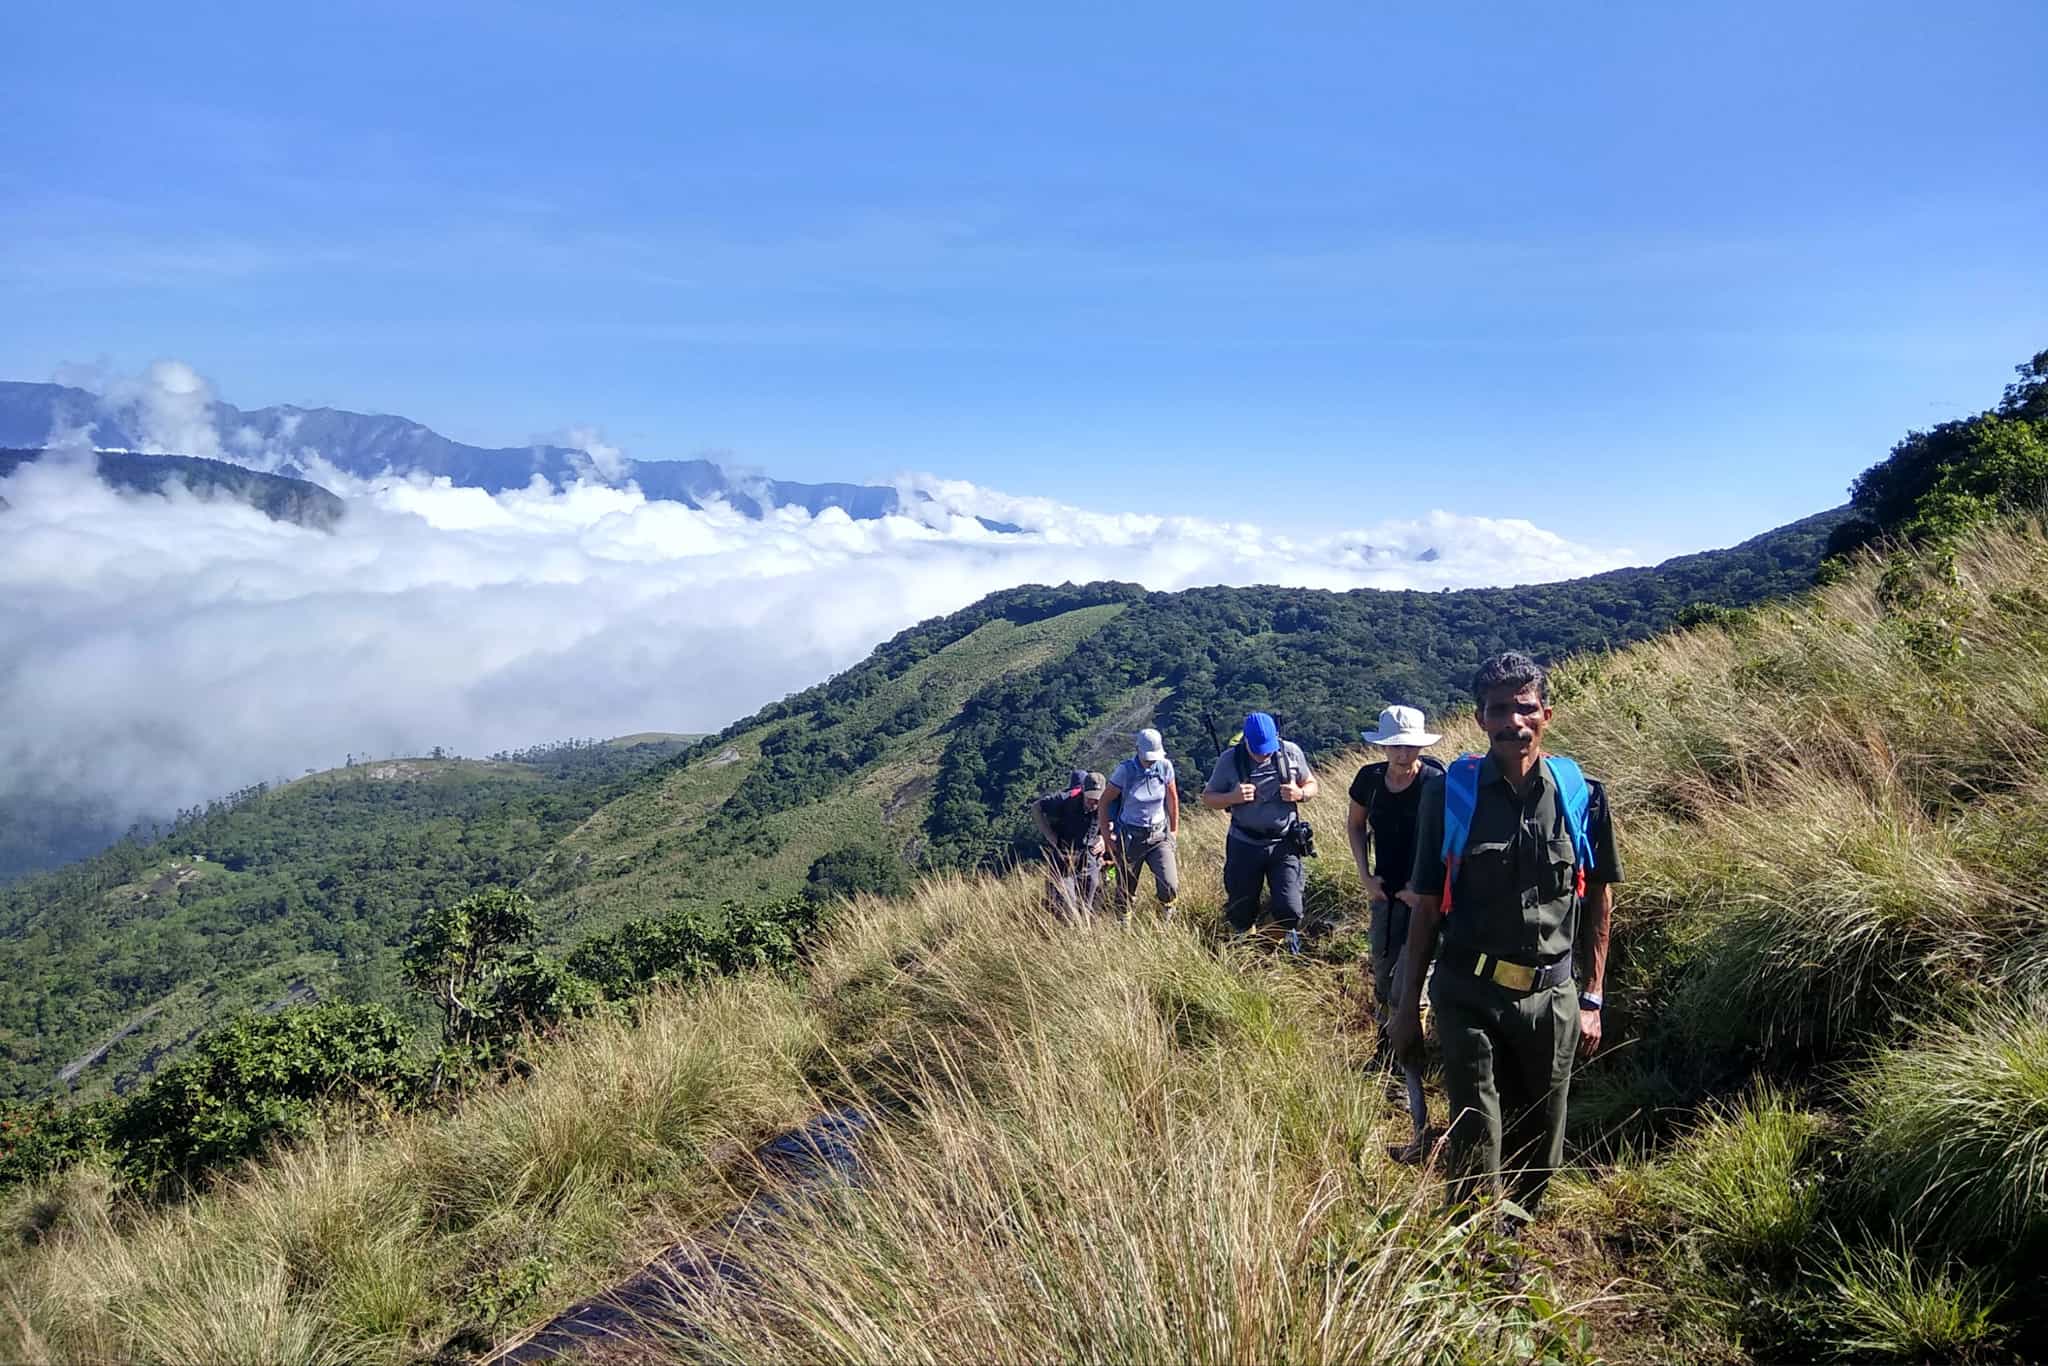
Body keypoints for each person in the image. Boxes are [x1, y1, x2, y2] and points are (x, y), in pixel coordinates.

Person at [1390, 652, 1620, 1219]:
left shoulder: (1581, 795)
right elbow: (1424, 906)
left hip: (1553, 998)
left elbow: (1599, 899)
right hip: (1469, 992)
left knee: (1543, 1135)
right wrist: (1404, 1005)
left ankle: (1520, 1236)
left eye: (1525, 708)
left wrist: (1592, 998)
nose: (1513, 721)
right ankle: (1474, 1249)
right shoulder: (1449, 795)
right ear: (1480, 718)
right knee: (1476, 1128)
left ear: (1546, 714)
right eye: (1499, 710)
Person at [1346, 704, 1446, 1164]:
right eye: (1396, 745)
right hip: (1385, 898)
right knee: (1385, 979)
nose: (1404, 753)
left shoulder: (1435, 782)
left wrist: (1421, 891)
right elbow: (1355, 824)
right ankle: (1394, 1061)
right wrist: (1366, 877)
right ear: (1384, 746)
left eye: (1410, 745)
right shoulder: (1369, 779)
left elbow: (1448, 841)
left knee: (1411, 989)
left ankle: (1417, 1097)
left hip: (1423, 902)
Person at [1201, 711, 1319, 947]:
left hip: (1285, 843)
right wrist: (1231, 797)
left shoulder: (1290, 753)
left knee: (1291, 908)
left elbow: (1312, 783)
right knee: (1241, 909)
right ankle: (1248, 949)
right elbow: (1208, 798)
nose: (1264, 754)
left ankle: (1267, 943)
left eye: (1268, 748)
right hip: (1244, 843)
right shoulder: (1229, 760)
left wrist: (1301, 794)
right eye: (1258, 749)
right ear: (1246, 741)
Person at [1101, 728, 1181, 917]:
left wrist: (1174, 831)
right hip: (1130, 838)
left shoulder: (1165, 767)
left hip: (1159, 835)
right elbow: (1104, 802)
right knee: (1125, 890)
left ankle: (1167, 921)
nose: (1151, 761)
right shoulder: (1125, 771)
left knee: (1169, 884)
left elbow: (1172, 798)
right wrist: (1106, 836)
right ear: (1137, 750)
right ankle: (1123, 925)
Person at [1032, 769, 1107, 921]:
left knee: (1088, 908)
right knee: (1069, 908)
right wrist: (1051, 838)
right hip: (1064, 858)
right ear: (1083, 792)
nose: (1094, 803)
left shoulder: (1108, 802)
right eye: (1090, 798)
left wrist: (1104, 838)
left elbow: (1119, 822)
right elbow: (1036, 807)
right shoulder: (1065, 799)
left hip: (1089, 858)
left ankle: (1085, 937)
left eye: (1098, 799)